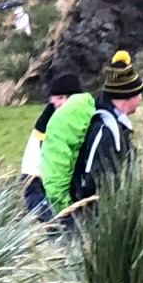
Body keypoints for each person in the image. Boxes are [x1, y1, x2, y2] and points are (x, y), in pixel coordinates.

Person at [41, 51, 141, 220]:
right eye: (138, 92)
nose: (142, 97)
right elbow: (94, 180)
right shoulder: (106, 129)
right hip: (87, 220)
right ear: (126, 96)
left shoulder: (111, 122)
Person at [21, 78, 91, 221]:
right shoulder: (45, 128)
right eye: (57, 98)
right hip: (36, 185)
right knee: (58, 229)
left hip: (54, 185)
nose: (60, 103)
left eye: (65, 98)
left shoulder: (74, 120)